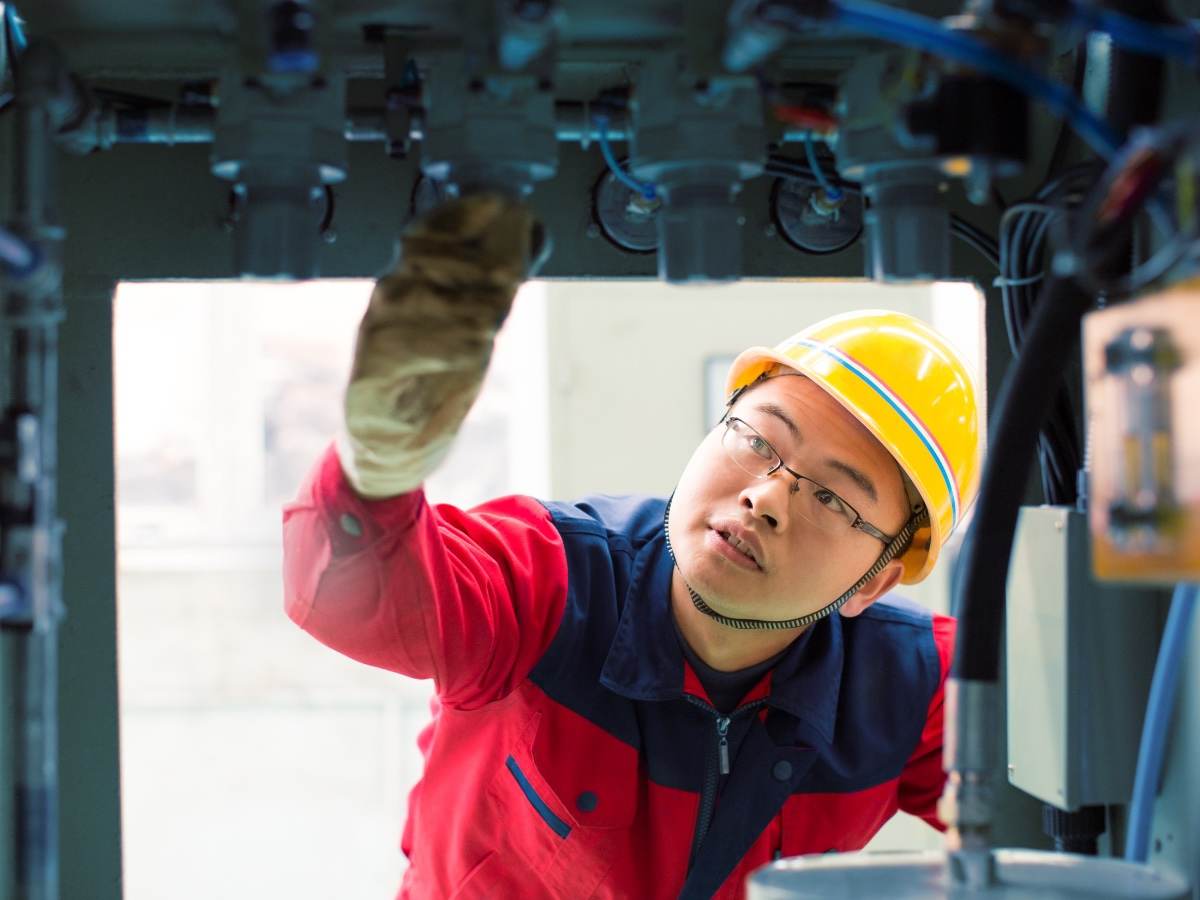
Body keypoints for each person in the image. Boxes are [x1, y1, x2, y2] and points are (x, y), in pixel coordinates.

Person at [282, 193, 983, 899]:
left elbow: (1048, 789)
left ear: (875, 581)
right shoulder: (551, 583)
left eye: (832, 497)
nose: (767, 497)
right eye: (758, 440)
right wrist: (377, 467)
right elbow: (365, 599)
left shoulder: (906, 687)